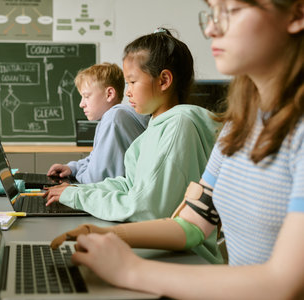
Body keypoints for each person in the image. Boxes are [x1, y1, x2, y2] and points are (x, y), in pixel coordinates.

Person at [50, 0, 304, 298]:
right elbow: (193, 224)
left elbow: (285, 283)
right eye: (211, 13)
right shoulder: (239, 127)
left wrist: (131, 270)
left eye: (230, 11)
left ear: (297, 13)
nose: (211, 28)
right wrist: (105, 234)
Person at [45, 28, 224, 263]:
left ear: (164, 81)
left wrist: (78, 198)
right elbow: (130, 183)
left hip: (185, 259)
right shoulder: (155, 125)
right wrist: (77, 192)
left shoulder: (179, 125)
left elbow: (145, 209)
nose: (127, 92)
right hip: (163, 252)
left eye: (132, 81)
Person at [47, 63, 149, 184]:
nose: (81, 104)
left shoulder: (114, 119)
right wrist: (72, 168)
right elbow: (95, 159)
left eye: (86, 96)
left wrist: (77, 175)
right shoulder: (114, 117)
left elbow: (95, 179)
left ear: (109, 94)